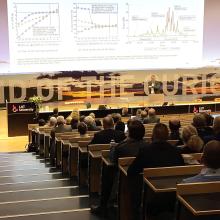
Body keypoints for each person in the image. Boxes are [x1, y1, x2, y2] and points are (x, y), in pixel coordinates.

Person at [91, 120, 147, 217]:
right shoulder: (147, 146)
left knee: (108, 171)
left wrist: (113, 147)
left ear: (129, 133)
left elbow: (113, 160)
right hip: (143, 183)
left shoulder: (122, 147)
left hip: (125, 181)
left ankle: (103, 206)